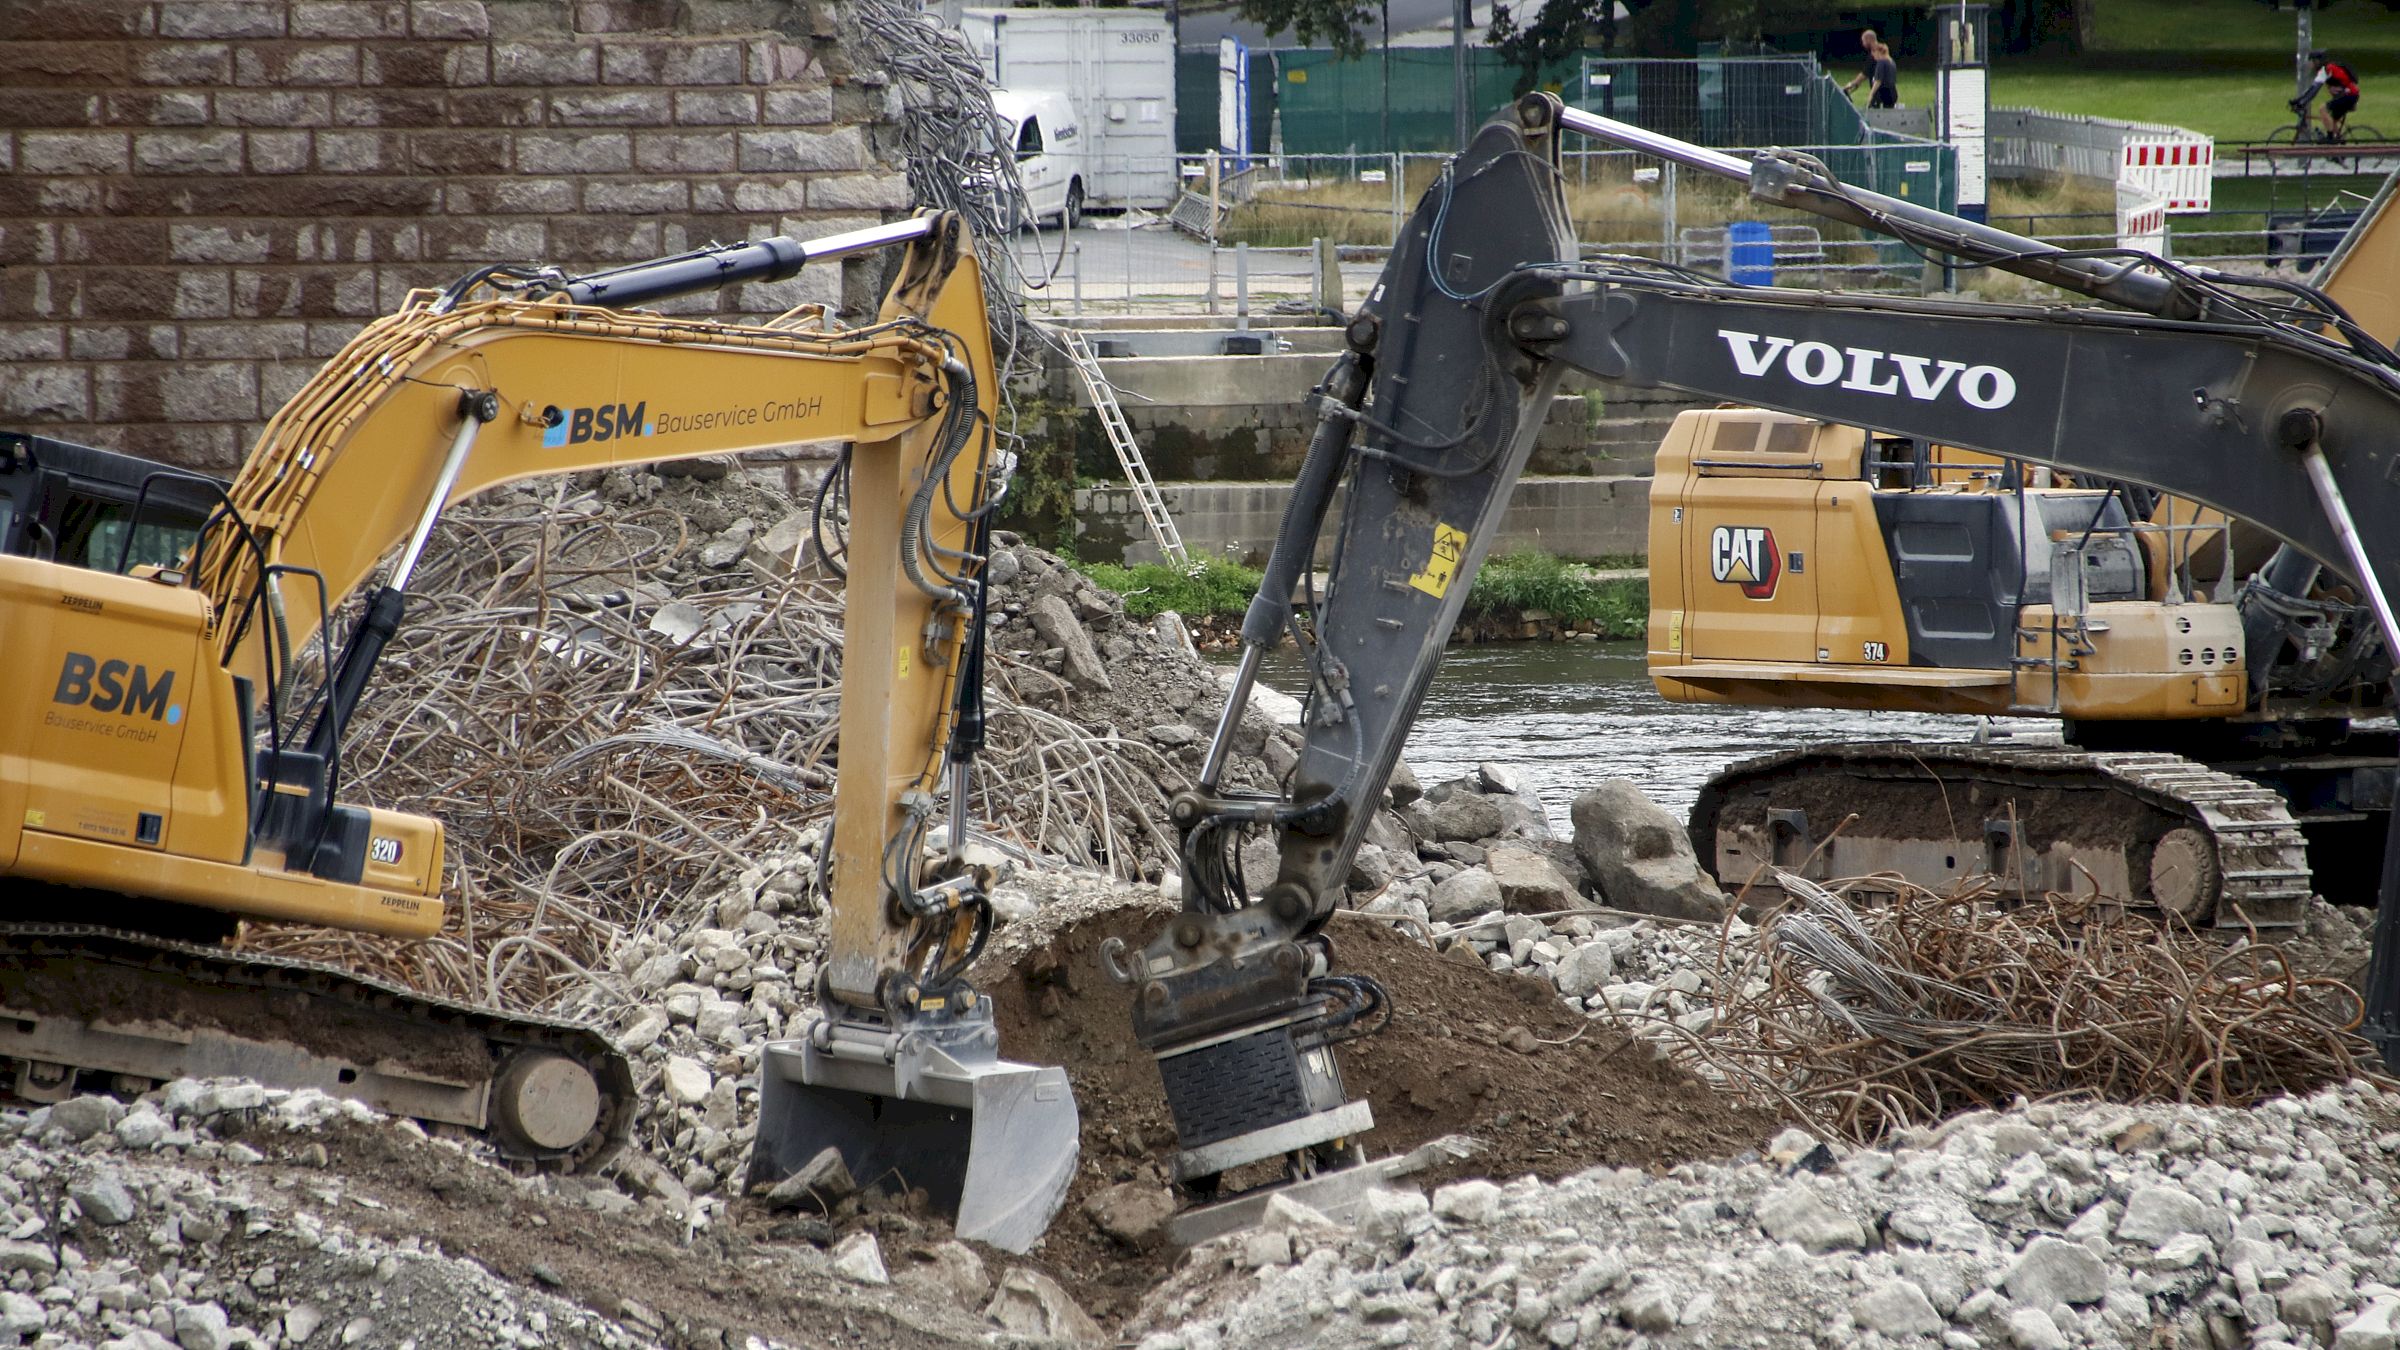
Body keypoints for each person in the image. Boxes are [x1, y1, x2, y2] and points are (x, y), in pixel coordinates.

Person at [2292, 49, 2361, 143]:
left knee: (2322, 109)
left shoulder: (2327, 69)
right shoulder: (2326, 69)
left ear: (2317, 61)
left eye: (2312, 61)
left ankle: (2330, 138)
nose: (2311, 64)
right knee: (2332, 121)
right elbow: (2311, 89)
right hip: (2350, 95)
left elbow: (2314, 90)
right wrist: (2299, 100)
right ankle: (2338, 151)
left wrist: (2301, 102)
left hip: (2349, 95)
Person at [1842, 29, 1899, 110]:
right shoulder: (1890, 60)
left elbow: (1869, 77)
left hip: (1880, 94)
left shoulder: (1878, 60)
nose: (1863, 44)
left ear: (1869, 40)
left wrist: (1852, 85)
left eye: (1863, 41)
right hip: (1891, 94)